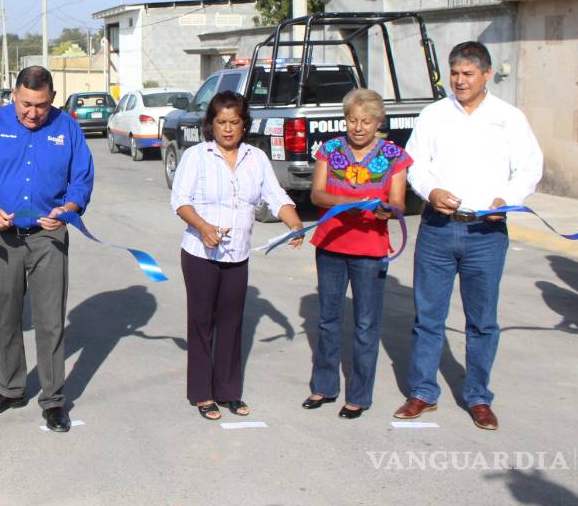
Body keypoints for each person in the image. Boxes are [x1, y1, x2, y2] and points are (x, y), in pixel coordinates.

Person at [394, 41, 542, 431]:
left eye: (468, 74)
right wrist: (431, 191)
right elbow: (415, 164)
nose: (459, 81)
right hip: (439, 229)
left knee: (481, 321)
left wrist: (506, 200)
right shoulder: (433, 115)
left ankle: (478, 396)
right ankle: (423, 392)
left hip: (486, 231)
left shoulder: (509, 118)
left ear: (487, 74)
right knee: (428, 316)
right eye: (455, 74)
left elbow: (530, 167)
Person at [0, 65, 94, 433]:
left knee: (50, 321)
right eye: (24, 104)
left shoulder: (67, 128)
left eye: (40, 105)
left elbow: (81, 179)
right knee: (6, 317)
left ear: (51, 98)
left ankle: (53, 400)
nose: (32, 113)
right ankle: (11, 388)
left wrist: (67, 210)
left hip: (48, 237)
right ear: (14, 95)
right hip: (2, 238)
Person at [170, 91, 302, 421]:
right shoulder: (196, 156)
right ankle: (202, 393)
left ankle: (229, 391)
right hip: (201, 253)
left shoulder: (256, 158)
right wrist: (203, 226)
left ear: (244, 124)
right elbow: (180, 201)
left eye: (234, 122)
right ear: (210, 125)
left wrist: (294, 222)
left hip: (237, 255)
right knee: (203, 322)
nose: (228, 129)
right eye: (221, 122)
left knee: (231, 323)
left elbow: (275, 196)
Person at [298, 89, 411, 419]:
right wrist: (346, 202)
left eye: (366, 121)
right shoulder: (329, 150)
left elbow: (399, 203)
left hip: (370, 249)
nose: (358, 127)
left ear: (379, 122)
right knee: (328, 319)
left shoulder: (394, 156)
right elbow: (318, 194)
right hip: (331, 245)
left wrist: (386, 211)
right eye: (352, 120)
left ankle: (359, 395)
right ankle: (324, 386)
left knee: (366, 324)